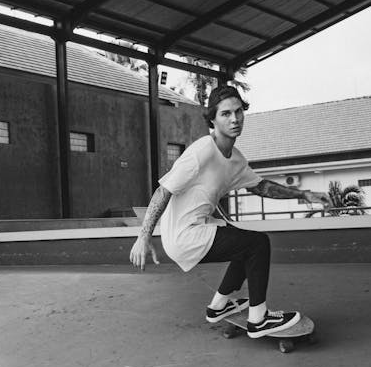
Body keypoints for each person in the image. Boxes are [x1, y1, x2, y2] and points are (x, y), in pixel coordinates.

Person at [129, 85, 330, 338]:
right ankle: (259, 319)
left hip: (200, 227)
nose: (234, 119)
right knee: (257, 244)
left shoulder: (235, 159)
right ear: (212, 119)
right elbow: (163, 190)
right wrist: (143, 236)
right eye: (225, 114)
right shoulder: (202, 150)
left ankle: (218, 306)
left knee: (240, 241)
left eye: (238, 112)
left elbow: (261, 187)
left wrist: (304, 194)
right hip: (184, 235)